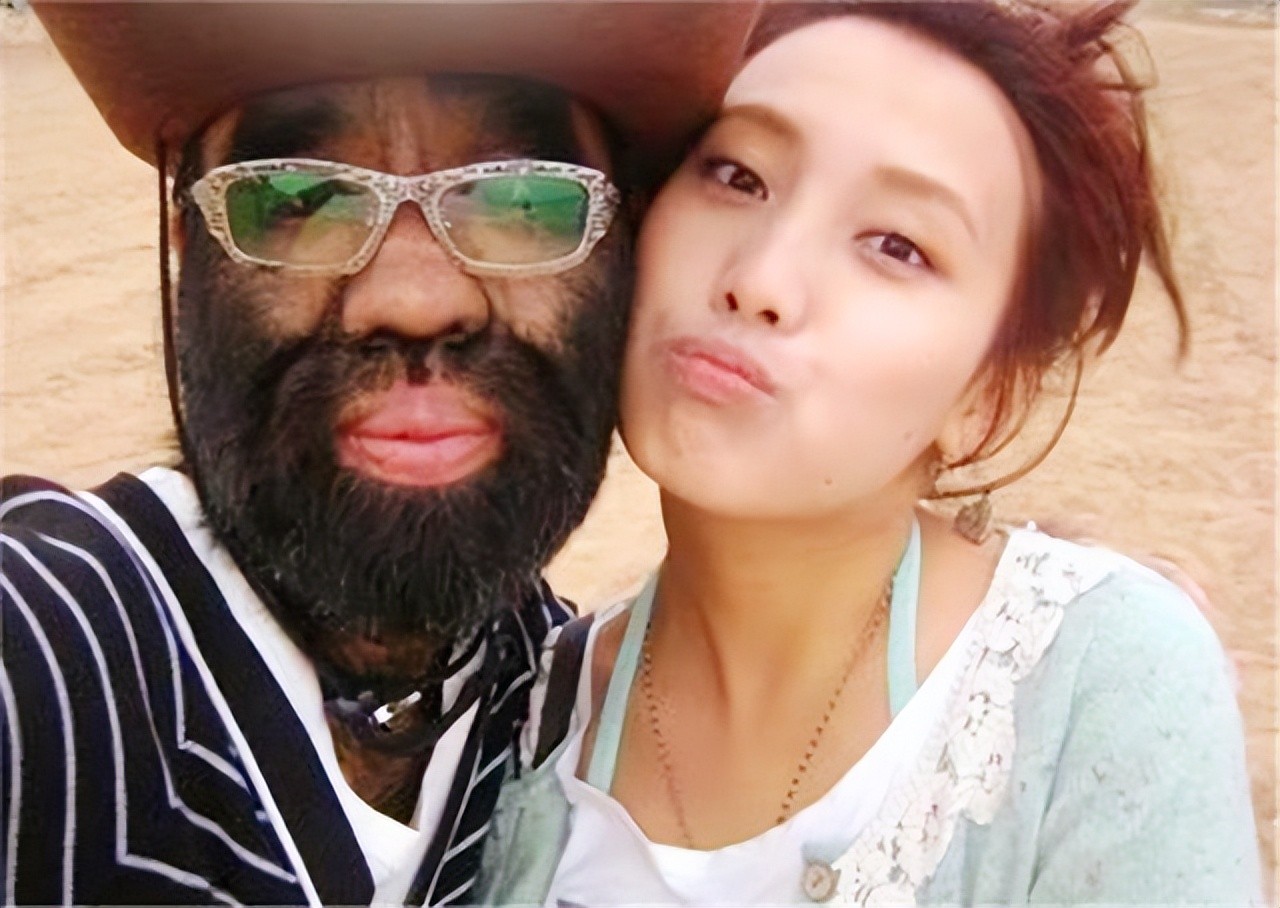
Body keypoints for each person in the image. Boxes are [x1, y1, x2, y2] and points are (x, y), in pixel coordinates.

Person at [477, 1, 1264, 904]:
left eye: (897, 245)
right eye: (737, 175)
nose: (760, 279)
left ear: (987, 398)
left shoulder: (1093, 683)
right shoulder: (521, 722)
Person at [0, 2, 759, 905]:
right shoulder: (43, 658)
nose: (415, 300)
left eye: (524, 200)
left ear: (624, 251)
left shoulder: (564, 712)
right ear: (186, 243)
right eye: (296, 200)